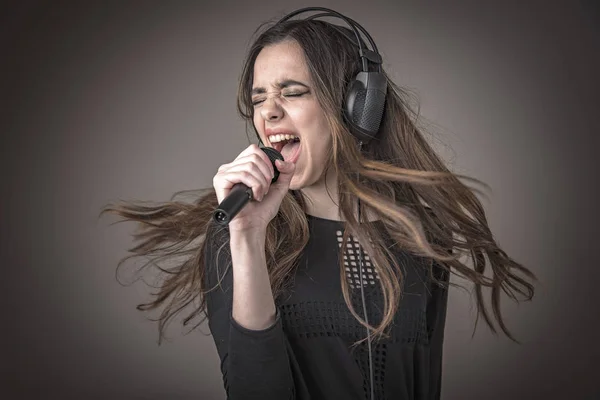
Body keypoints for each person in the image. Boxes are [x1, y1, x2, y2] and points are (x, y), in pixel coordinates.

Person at [102, 7, 536, 400]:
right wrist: (248, 238)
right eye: (258, 99)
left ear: (356, 107)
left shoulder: (420, 236)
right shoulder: (234, 235)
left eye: (291, 92)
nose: (267, 114)